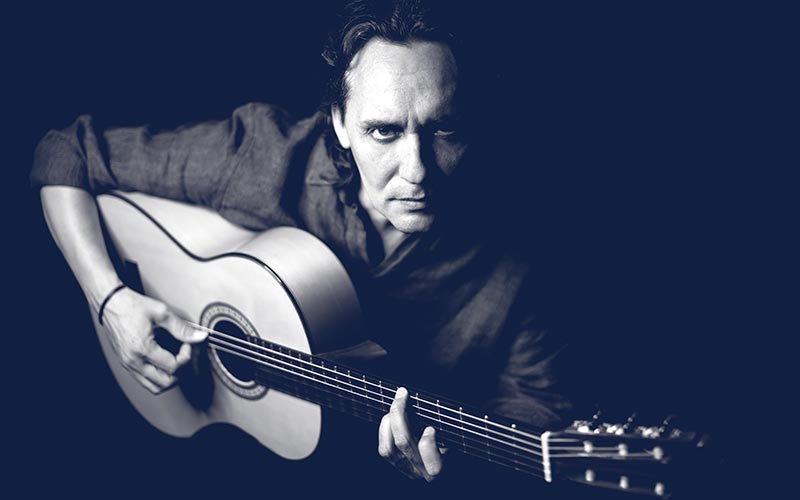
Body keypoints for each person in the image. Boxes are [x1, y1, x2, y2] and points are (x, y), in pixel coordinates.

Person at [31, 0, 571, 483]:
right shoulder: (263, 159)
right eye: (383, 131)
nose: (417, 170)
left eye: (443, 129)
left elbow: (539, 408)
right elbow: (64, 154)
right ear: (339, 123)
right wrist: (110, 299)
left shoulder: (521, 251)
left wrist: (456, 470)